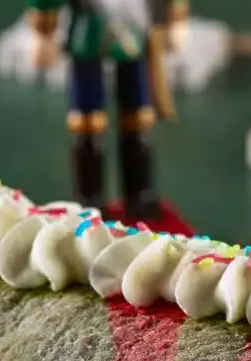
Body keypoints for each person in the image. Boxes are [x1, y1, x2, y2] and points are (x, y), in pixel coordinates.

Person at [24, 0, 188, 220]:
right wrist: (44, 31)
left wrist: (174, 19)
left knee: (138, 116)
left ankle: (140, 195)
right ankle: (89, 199)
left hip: (133, 28)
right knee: (86, 121)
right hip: (89, 28)